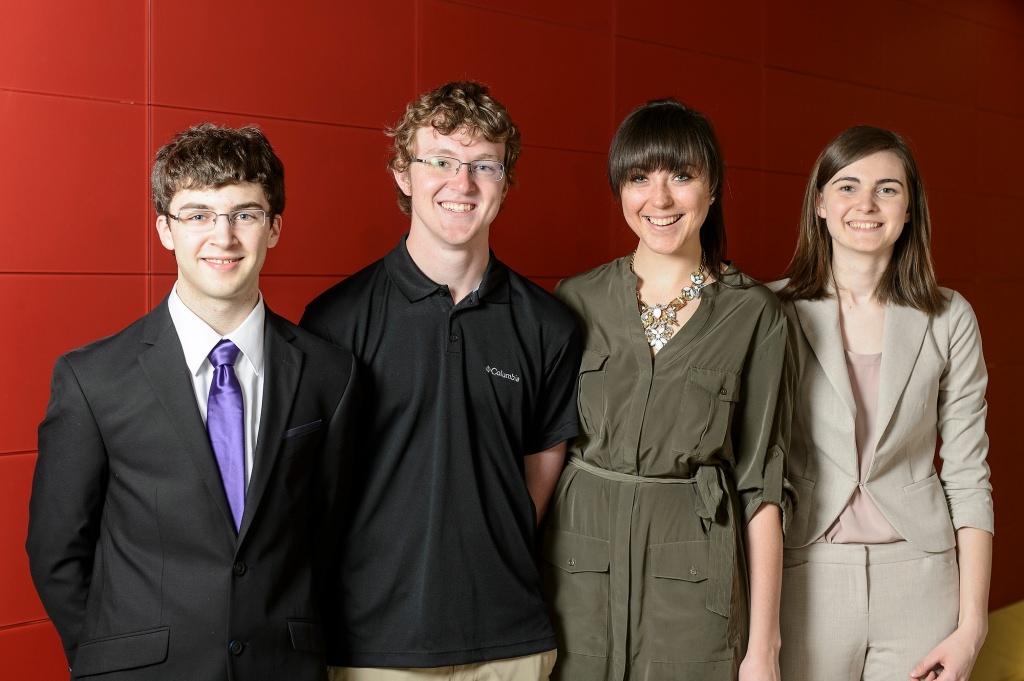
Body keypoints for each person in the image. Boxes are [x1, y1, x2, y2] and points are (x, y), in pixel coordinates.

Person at [26, 123, 359, 681]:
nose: (222, 237)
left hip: (283, 668)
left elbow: (327, 535)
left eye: (244, 214)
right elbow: (57, 550)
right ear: (164, 229)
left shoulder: (331, 372)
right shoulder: (92, 378)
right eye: (198, 214)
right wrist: (107, 660)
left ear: (274, 227)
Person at [300, 81, 581, 681]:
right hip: (371, 648)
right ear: (404, 174)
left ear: (505, 182)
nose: (463, 183)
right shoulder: (333, 322)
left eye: (484, 165)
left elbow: (531, 487)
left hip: (510, 646)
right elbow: (315, 492)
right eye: (442, 161)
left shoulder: (549, 326)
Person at [541, 98, 793, 681]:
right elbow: (541, 455)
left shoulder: (755, 315)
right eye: (639, 178)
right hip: (575, 575)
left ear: (713, 189)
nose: (659, 199)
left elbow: (763, 484)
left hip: (694, 582)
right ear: (619, 191)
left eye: (681, 176)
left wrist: (764, 649)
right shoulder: (574, 300)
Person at [772, 125, 993, 681]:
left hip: (921, 580)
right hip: (805, 576)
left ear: (911, 208)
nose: (866, 204)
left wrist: (972, 627)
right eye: (847, 186)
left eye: (888, 188)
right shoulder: (771, 311)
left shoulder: (950, 317)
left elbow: (968, 474)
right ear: (819, 203)